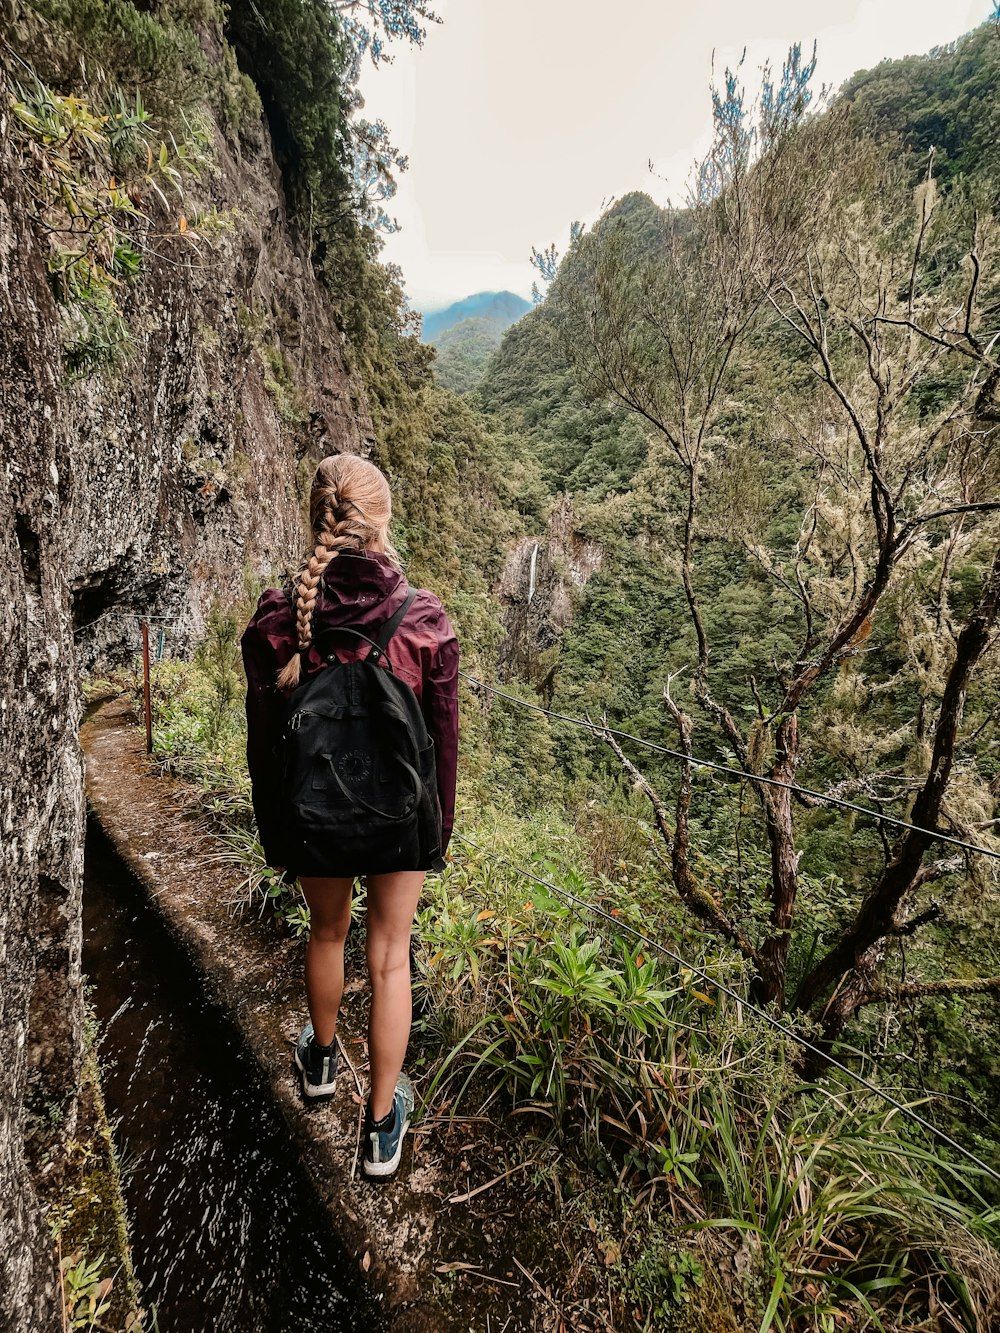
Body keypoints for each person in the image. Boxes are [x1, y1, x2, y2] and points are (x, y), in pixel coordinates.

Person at [240, 453, 459, 1179]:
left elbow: (265, 745)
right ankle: (379, 1130)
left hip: (314, 814)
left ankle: (321, 1065)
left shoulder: (281, 621)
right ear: (383, 521)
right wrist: (436, 837)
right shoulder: (423, 622)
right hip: (401, 820)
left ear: (315, 520)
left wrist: (281, 835)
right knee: (390, 956)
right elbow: (442, 746)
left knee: (327, 929)